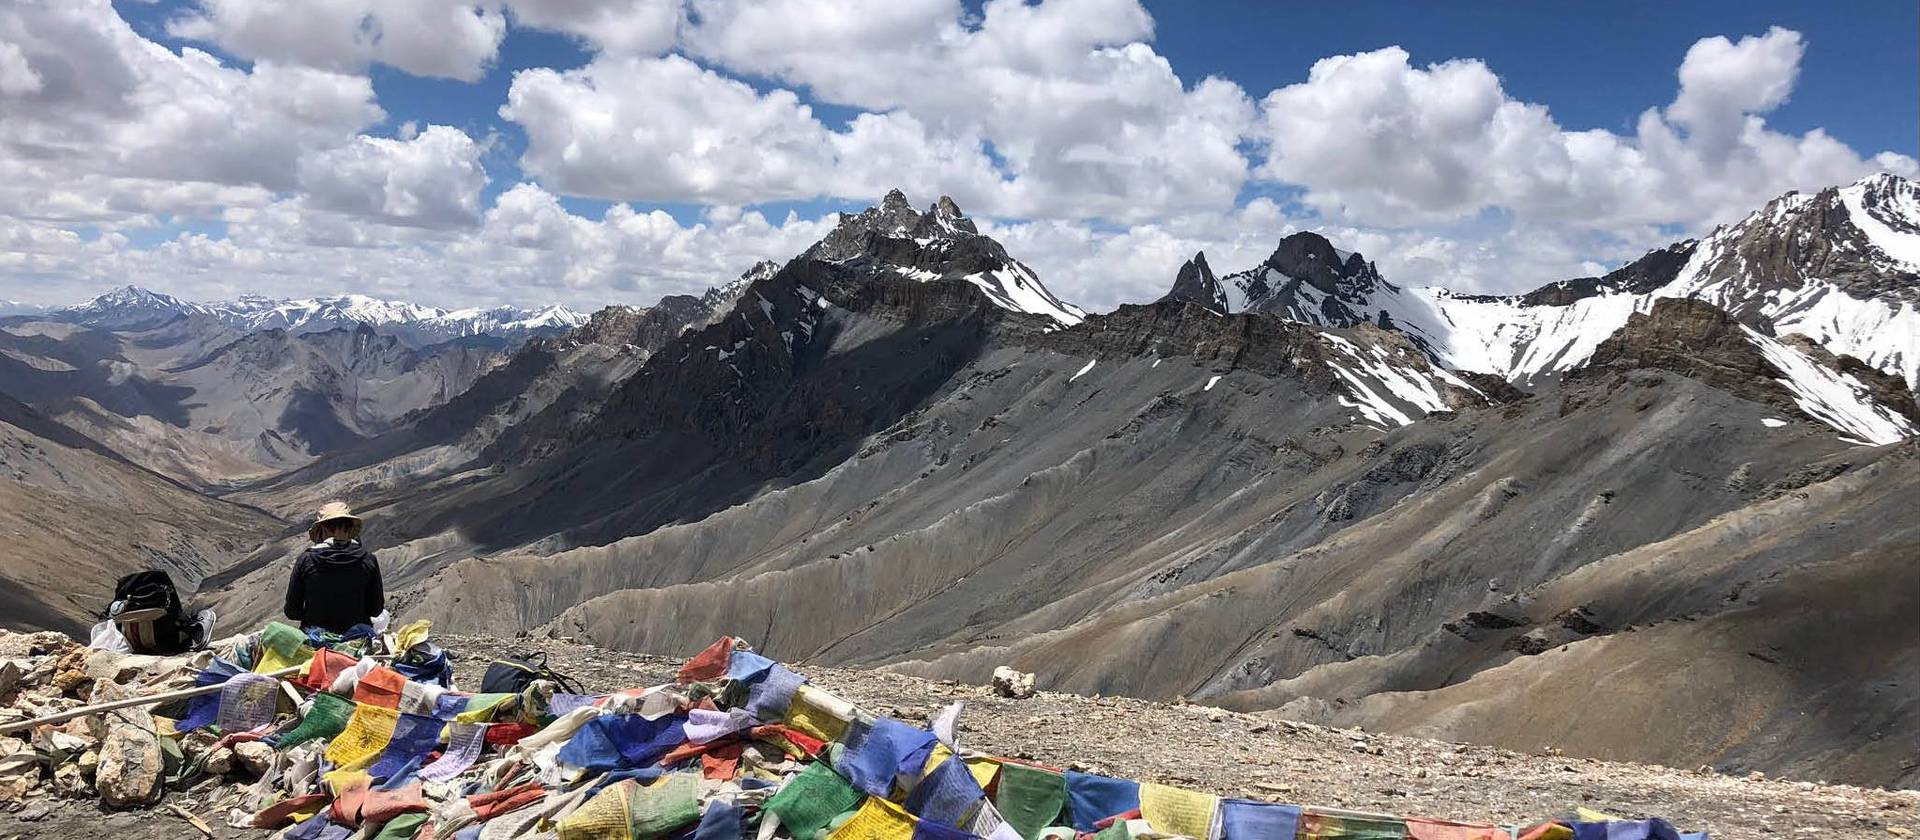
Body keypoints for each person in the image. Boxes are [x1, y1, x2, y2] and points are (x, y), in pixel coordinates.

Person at [284, 501, 384, 634]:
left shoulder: (306, 560)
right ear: (349, 528)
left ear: (322, 528)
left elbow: (292, 612)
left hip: (316, 641)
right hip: (357, 640)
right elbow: (376, 610)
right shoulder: (368, 559)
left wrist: (315, 615)